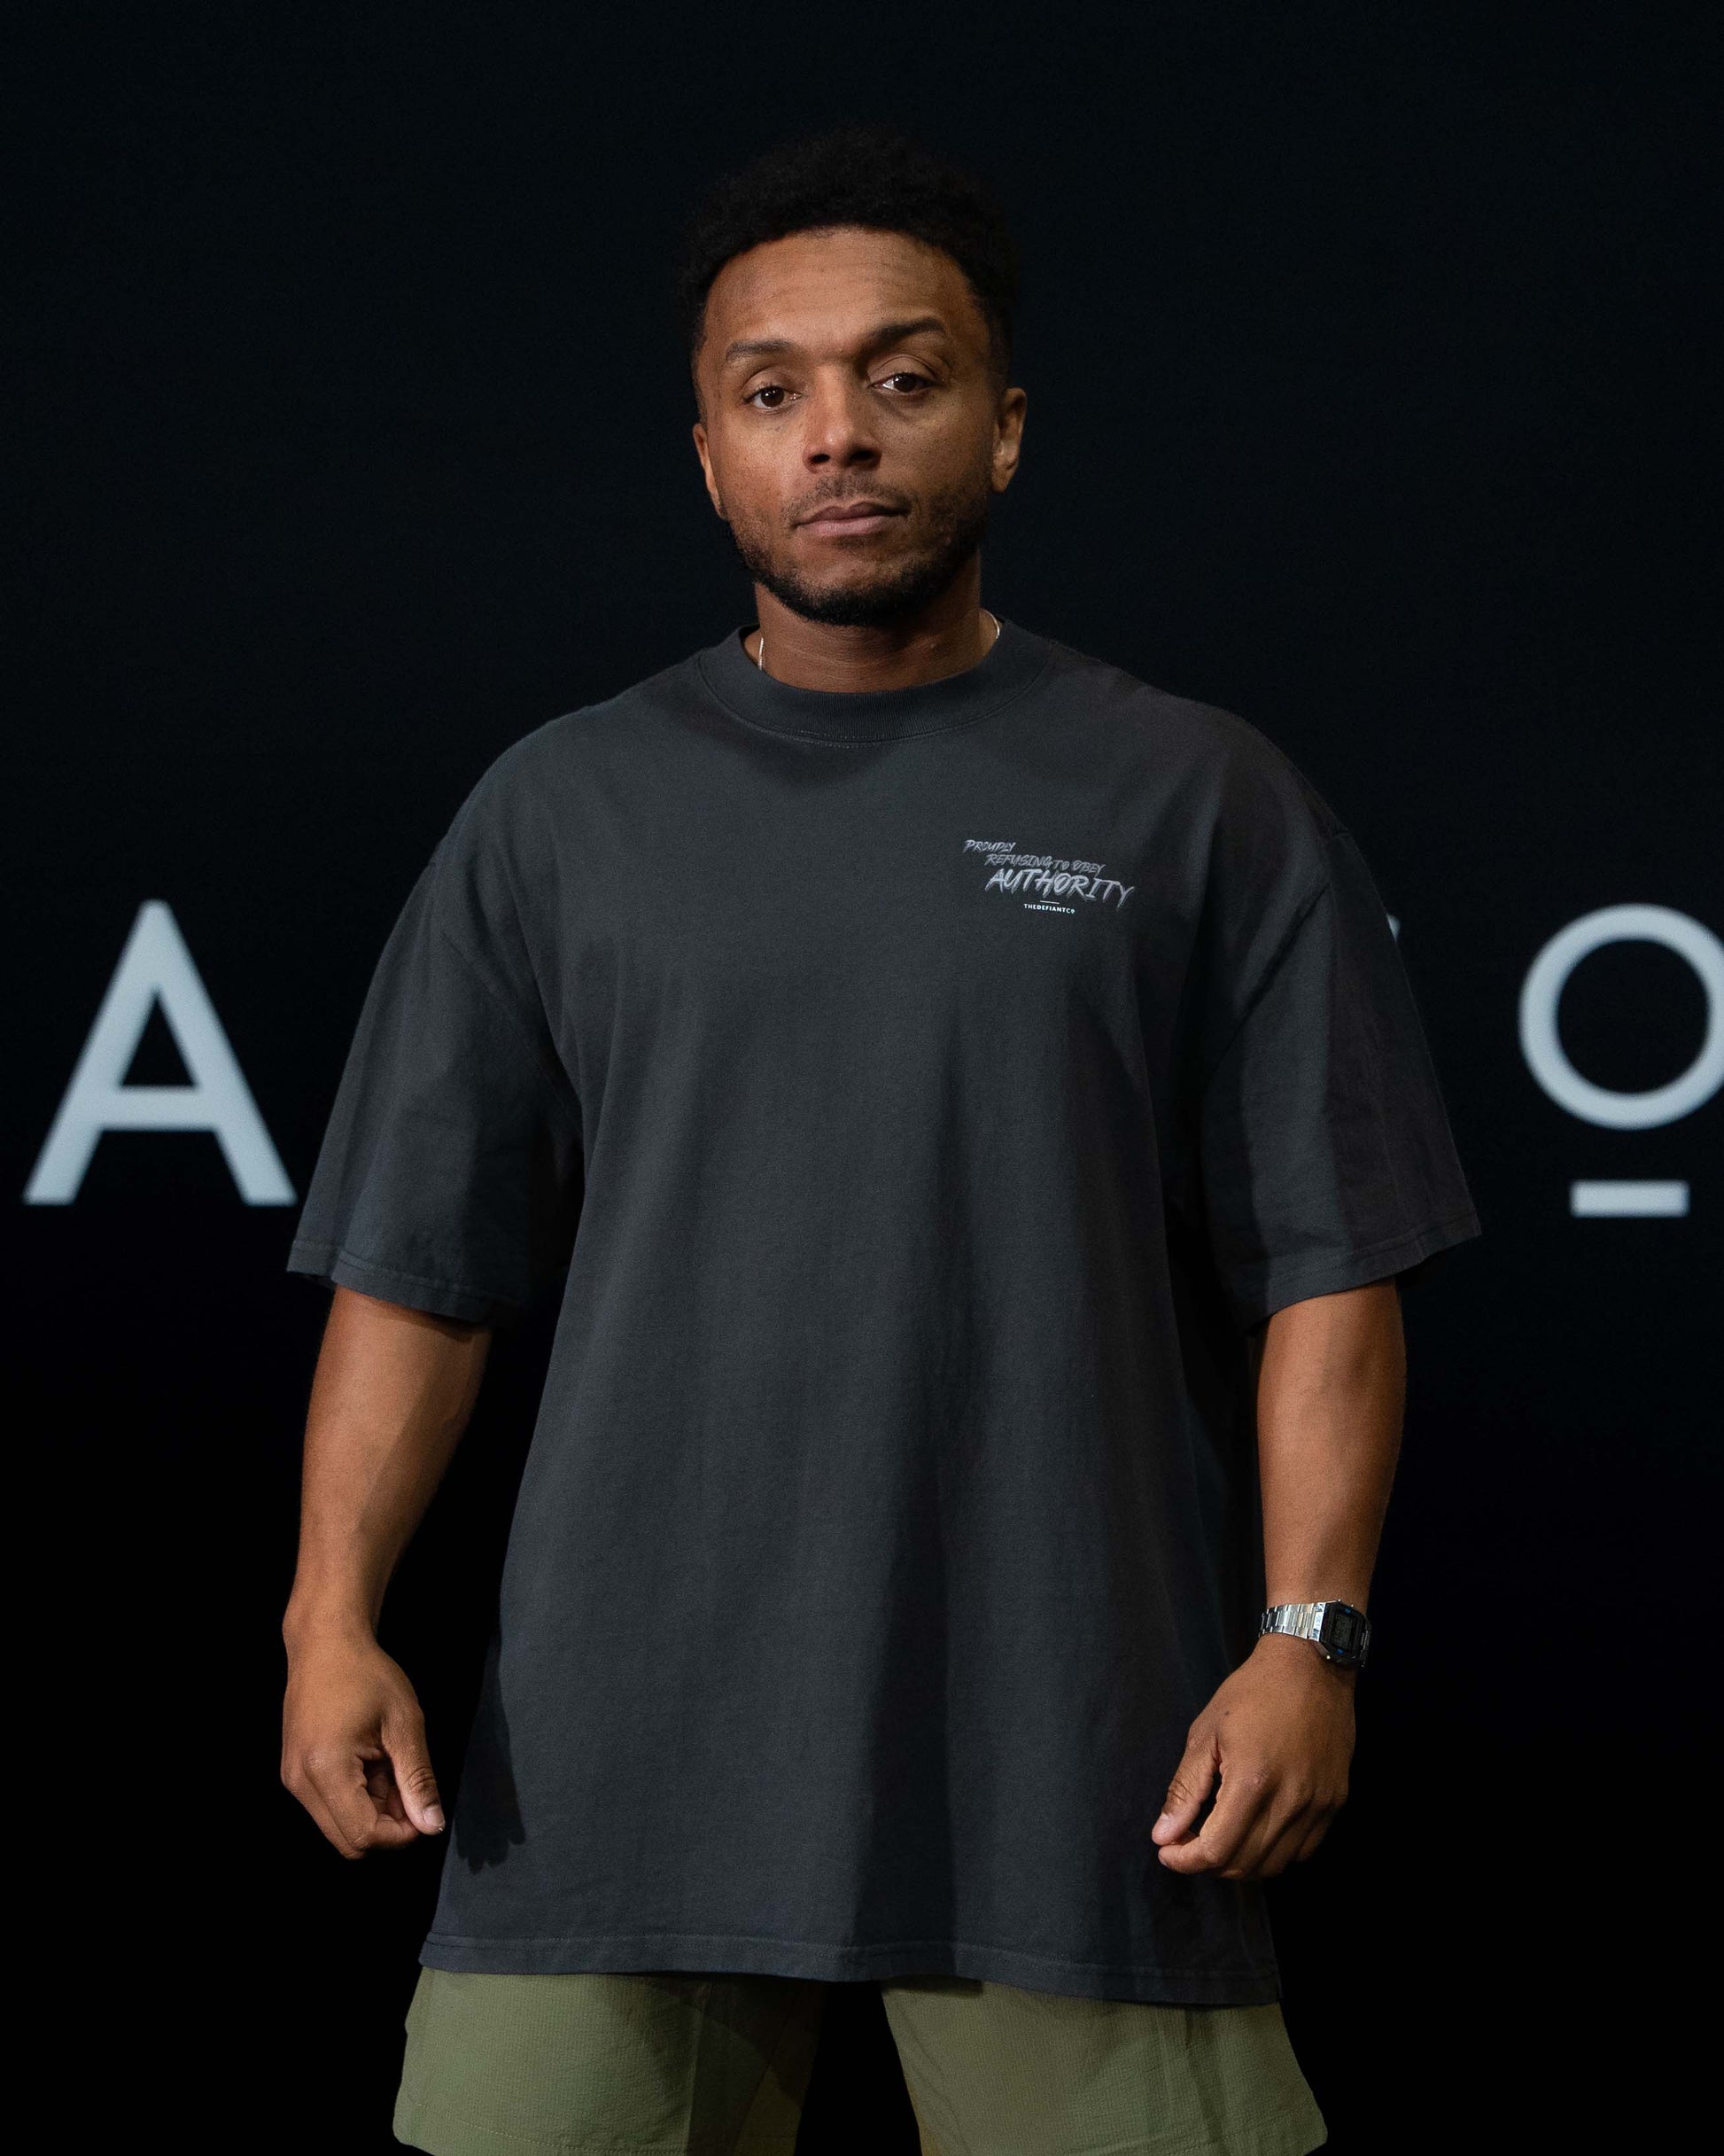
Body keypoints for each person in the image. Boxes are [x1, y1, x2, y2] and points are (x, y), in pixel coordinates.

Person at [281, 123, 1480, 2156]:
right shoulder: (557, 813)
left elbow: (1328, 1266)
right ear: (709, 450)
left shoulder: (1197, 797)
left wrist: (1309, 1641)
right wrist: (327, 1617)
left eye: (900, 379)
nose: (836, 432)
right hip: (605, 1774)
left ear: (1003, 431)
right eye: (775, 390)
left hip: (1078, 1761)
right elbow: (422, 1263)